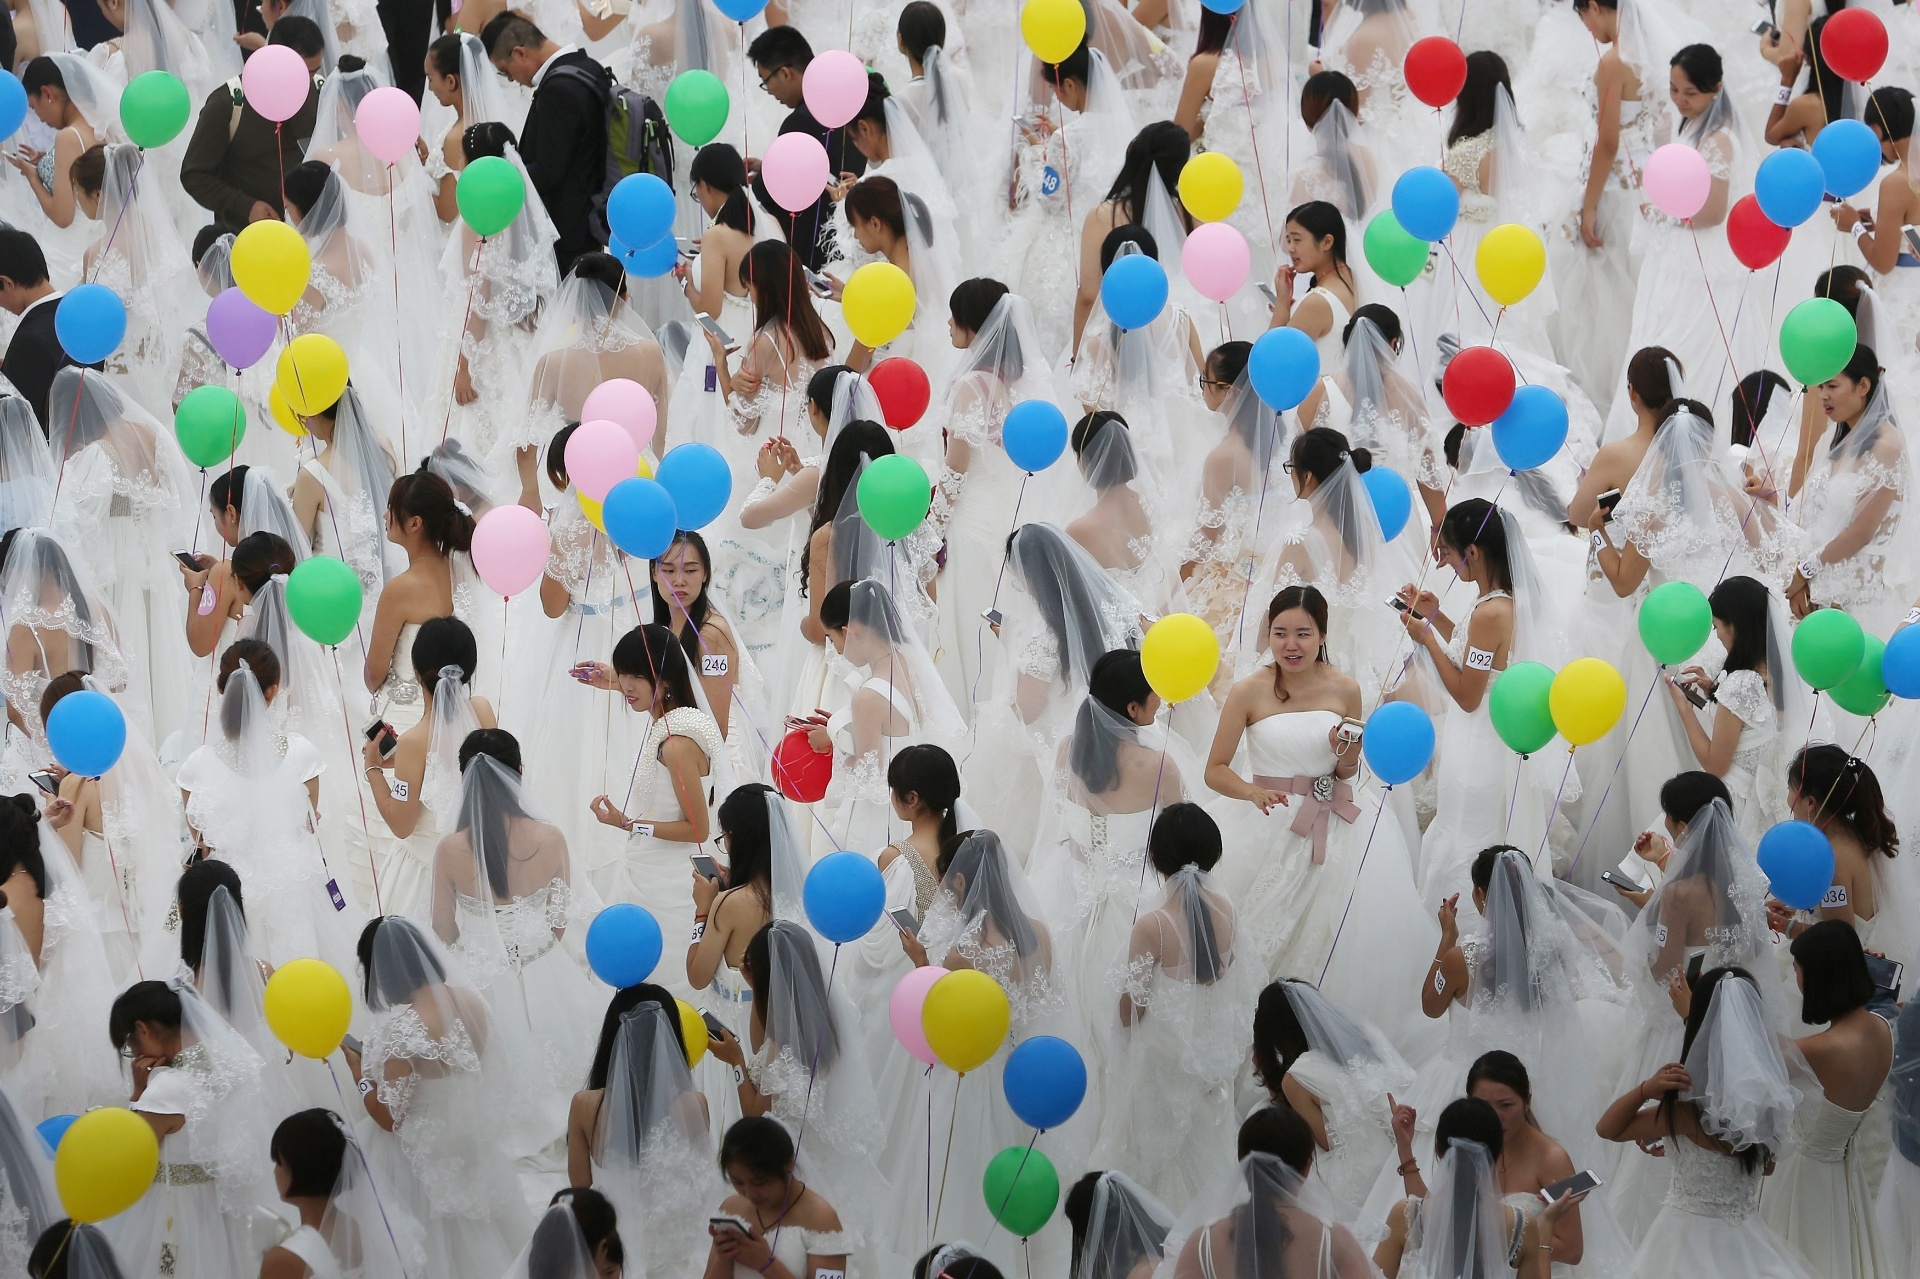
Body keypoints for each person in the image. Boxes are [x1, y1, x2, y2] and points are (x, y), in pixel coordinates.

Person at [431, 728, 598, 1166]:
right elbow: (560, 920)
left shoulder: (450, 849)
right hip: (545, 966)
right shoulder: (550, 837)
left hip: (481, 976)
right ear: (518, 773)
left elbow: (442, 928)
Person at [1095, 801, 1264, 1210]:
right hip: (1210, 1061)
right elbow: (1235, 981)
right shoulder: (1228, 911)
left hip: (1161, 1062)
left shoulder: (1154, 925)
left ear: (1157, 857)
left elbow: (1129, 1009)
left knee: (1153, 1163)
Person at [343, 915, 530, 1279]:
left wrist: (361, 1076)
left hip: (420, 1155)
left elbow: (389, 1118)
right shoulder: (471, 1002)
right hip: (466, 1138)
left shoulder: (403, 1033)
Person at [1595, 966, 1813, 1279]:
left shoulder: (1688, 1114)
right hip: (1746, 1237)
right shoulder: (1765, 1105)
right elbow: (1766, 1167)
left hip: (1686, 1238)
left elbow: (1608, 1129)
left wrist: (1646, 1089)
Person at [102, 978, 281, 1279]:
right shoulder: (233, 1067)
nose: (134, 1053)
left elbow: (128, 1157)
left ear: (143, 1029)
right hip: (223, 1210)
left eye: (130, 1044)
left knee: (168, 1269)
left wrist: (137, 1093)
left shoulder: (166, 1088)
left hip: (172, 1214)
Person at [579, 623, 721, 973]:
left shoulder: (675, 745)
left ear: (665, 679)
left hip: (671, 879)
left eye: (635, 676)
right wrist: (613, 680)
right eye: (623, 674)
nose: (626, 685)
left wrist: (627, 824)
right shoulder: (685, 718)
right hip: (660, 869)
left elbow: (697, 830)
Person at [1757, 920, 1894, 1278]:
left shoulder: (1823, 1049)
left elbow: (1752, 1064)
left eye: (1799, 969)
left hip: (1802, 1179)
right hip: (1844, 1173)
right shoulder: (1881, 1029)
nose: (1797, 978)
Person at [566, 986, 714, 1279]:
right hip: (675, 1242)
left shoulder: (585, 1105)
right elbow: (701, 1181)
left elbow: (581, 1192)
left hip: (614, 1240)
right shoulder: (693, 1104)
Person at [1250, 978, 1412, 1215]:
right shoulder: (1361, 1039)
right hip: (1401, 1149)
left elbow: (1329, 1142)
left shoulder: (1295, 1077)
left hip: (1362, 1177)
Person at [1374, 1097, 1576, 1279]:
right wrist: (1547, 1224)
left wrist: (1405, 1149)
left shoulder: (1405, 1216)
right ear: (1496, 1155)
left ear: (1438, 1149)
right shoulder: (1521, 1226)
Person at [480, 12, 608, 272]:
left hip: (567, 230)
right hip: (590, 214)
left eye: (506, 71)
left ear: (519, 53)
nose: (513, 79)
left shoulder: (558, 88)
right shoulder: (588, 65)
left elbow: (550, 169)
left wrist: (502, 178)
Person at [178, 17, 325, 226]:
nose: (309, 80)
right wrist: (246, 206)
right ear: (274, 59)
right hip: (246, 239)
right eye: (304, 72)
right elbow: (194, 175)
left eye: (315, 71)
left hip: (310, 237)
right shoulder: (228, 103)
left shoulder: (320, 92)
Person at [745, 25, 865, 271]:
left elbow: (765, 193)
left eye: (765, 81)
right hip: (846, 242)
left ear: (786, 73)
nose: (768, 91)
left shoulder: (800, 120)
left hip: (807, 249)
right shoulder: (843, 102)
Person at [260, 1107, 423, 1279]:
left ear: (299, 1168)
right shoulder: (368, 1233)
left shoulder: (285, 1259)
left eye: (278, 1161)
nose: (275, 1171)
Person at [0, 229, 89, 432]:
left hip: (48, 457)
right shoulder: (80, 315)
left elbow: (14, 426)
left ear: (6, 282)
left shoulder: (28, 340)